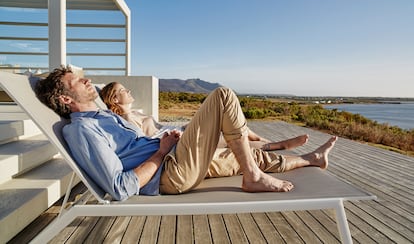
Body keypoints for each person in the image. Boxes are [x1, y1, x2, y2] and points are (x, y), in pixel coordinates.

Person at [35, 66, 337, 201]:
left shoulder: (102, 116)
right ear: (65, 99)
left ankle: (312, 160)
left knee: (248, 155)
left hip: (174, 157)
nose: (86, 79)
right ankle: (253, 178)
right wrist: (161, 151)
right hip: (170, 172)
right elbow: (119, 187)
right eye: (77, 80)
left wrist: (167, 143)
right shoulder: (83, 130)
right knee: (222, 96)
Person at [99, 81, 309, 150]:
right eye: (124, 90)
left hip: (181, 131)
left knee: (227, 124)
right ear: (115, 100)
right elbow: (145, 143)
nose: (129, 91)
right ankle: (274, 145)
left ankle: (269, 142)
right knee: (228, 138)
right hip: (178, 141)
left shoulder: (135, 113)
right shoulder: (125, 121)